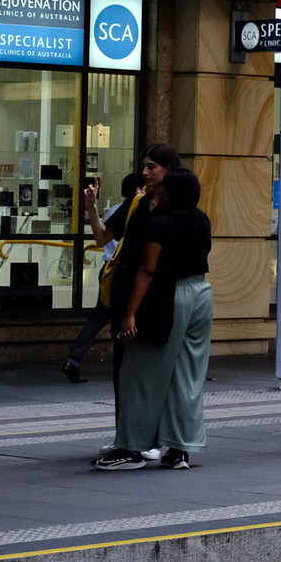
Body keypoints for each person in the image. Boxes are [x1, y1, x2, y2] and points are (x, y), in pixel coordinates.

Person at [94, 169, 214, 470]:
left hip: (170, 294)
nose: (157, 192)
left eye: (163, 189)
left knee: (140, 372)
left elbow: (147, 271)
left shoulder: (160, 224)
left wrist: (130, 313)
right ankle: (179, 449)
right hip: (202, 291)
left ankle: (131, 449)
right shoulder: (201, 219)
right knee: (186, 374)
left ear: (170, 194)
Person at [84, 143, 181, 457]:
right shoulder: (137, 202)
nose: (145, 171)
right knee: (123, 368)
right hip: (127, 291)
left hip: (155, 294)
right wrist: (91, 207)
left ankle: (151, 439)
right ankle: (126, 436)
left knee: (150, 367)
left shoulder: (177, 207)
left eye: (151, 166)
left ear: (168, 169)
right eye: (144, 165)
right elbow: (102, 238)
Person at [61, 173, 143, 382]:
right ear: (137, 191)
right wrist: (91, 206)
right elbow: (104, 238)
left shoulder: (115, 211)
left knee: (101, 317)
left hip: (108, 270)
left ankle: (74, 358)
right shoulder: (133, 210)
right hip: (119, 272)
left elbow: (102, 239)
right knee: (123, 318)